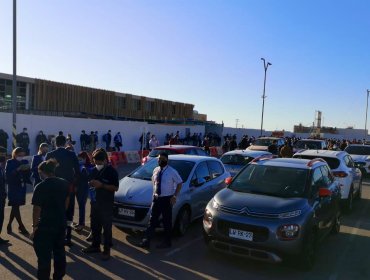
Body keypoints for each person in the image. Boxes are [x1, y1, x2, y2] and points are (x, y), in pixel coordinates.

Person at [31, 159, 70, 280]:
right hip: (60, 222)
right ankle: (58, 277)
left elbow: (36, 209)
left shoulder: (40, 186)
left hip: (45, 225)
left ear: (43, 172)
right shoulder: (64, 183)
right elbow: (67, 202)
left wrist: (35, 226)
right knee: (59, 253)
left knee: (44, 258)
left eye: (39, 172)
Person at [140, 152, 183, 249]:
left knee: (166, 221)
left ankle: (167, 241)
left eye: (162, 159)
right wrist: (154, 195)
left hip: (167, 199)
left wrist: (174, 196)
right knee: (152, 220)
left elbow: (180, 183)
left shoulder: (172, 171)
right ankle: (147, 240)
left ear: (166, 160)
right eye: (158, 159)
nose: (159, 161)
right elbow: (154, 182)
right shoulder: (156, 170)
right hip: (157, 199)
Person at [82, 148, 119, 261]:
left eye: (99, 162)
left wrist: (102, 185)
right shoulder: (94, 170)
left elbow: (115, 188)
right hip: (95, 203)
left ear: (105, 161)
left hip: (106, 204)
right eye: (95, 162)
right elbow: (89, 181)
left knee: (106, 228)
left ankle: (106, 250)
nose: (97, 164)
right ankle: (95, 246)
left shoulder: (111, 171)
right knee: (95, 226)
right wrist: (90, 183)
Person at [46, 135, 80, 247]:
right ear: (65, 143)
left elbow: (45, 172)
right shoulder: (71, 154)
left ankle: (56, 236)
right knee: (69, 213)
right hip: (69, 187)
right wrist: (75, 184)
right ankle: (68, 236)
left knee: (55, 211)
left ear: (55, 143)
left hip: (54, 187)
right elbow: (78, 171)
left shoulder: (50, 155)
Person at [5, 147, 30, 235]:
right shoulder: (10, 162)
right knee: (15, 206)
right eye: (19, 155)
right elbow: (8, 175)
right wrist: (18, 169)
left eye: (23, 155)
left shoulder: (25, 161)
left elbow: (28, 175)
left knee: (15, 207)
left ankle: (9, 225)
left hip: (22, 187)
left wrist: (28, 169)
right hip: (13, 187)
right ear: (14, 154)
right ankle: (21, 226)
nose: (21, 157)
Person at [75, 151, 93, 232]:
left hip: (83, 189)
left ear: (85, 158)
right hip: (79, 188)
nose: (79, 160)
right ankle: (81, 223)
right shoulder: (79, 166)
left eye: (81, 158)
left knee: (82, 206)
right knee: (80, 206)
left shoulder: (88, 167)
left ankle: (81, 224)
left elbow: (87, 178)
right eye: (79, 158)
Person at [0, 146, 9, 244]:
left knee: (1, 217)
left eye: (4, 154)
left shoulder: (1, 167)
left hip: (2, 196)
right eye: (1, 154)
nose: (3, 157)